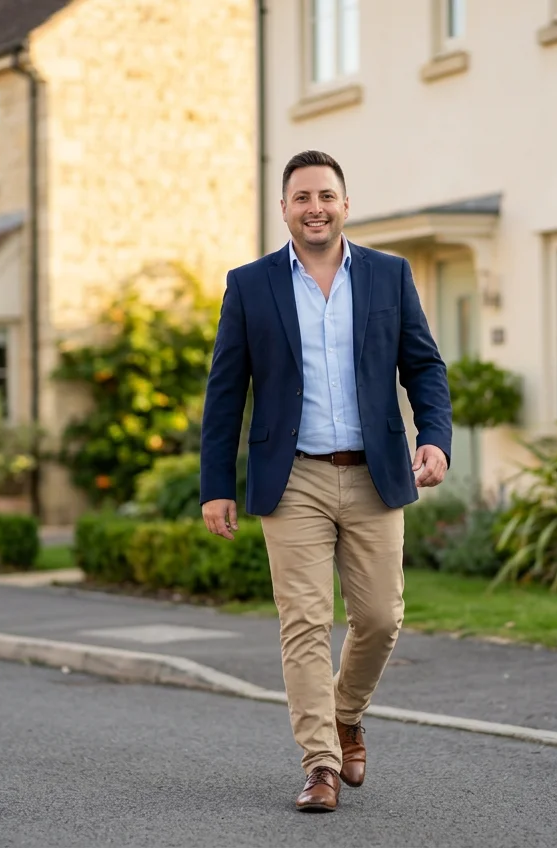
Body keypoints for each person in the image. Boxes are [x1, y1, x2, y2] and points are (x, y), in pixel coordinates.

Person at [199, 150, 453, 812]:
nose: (315, 206)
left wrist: (434, 437)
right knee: (305, 623)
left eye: (326, 195)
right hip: (295, 479)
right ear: (284, 208)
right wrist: (215, 485)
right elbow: (226, 391)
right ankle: (320, 764)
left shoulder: (389, 277)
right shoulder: (250, 285)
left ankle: (346, 714)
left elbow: (424, 367)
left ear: (346, 204)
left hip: (374, 473)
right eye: (302, 196)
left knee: (379, 618)